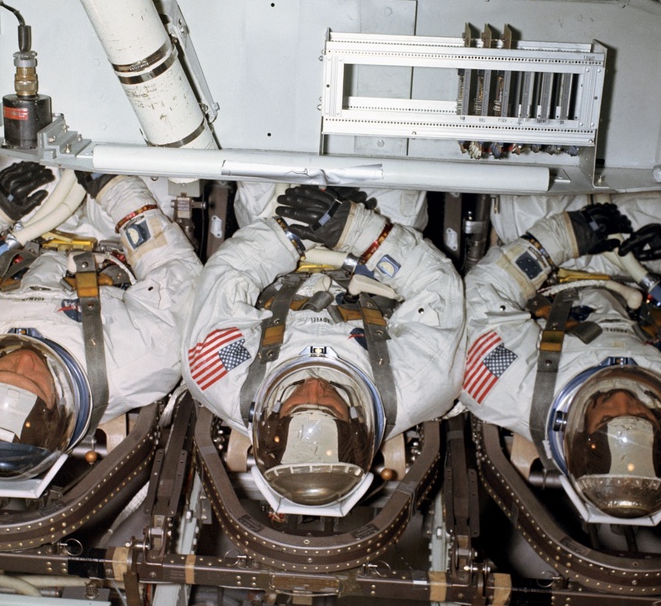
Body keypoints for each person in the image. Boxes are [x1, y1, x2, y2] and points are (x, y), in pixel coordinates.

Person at [458, 192, 661, 523]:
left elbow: (483, 297)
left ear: (574, 436)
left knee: (522, 199)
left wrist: (558, 237)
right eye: (642, 417)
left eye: (607, 419)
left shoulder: (507, 390)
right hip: (645, 263)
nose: (623, 400)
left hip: (543, 262)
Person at [0, 160, 200, 484]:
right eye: (36, 382)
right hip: (113, 233)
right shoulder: (139, 364)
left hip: (16, 227)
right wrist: (117, 190)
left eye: (2, 369)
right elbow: (175, 270)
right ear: (60, 407)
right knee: (172, 171)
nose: (24, 360)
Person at [183, 184, 465, 514]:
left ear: (272, 419)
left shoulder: (224, 377)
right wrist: (358, 230)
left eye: (297, 406)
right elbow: (437, 286)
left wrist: (288, 234)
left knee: (263, 161)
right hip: (385, 244)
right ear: (357, 422)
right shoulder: (416, 385)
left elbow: (227, 276)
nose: (315, 390)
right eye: (330, 407)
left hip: (273, 239)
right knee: (394, 154)